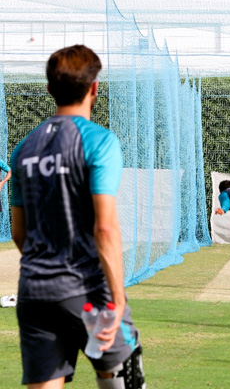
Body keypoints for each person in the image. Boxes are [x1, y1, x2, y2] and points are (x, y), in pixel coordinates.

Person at [10, 45, 144, 388]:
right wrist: (116, 297)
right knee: (122, 379)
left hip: (35, 291)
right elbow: (105, 228)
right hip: (88, 291)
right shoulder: (99, 141)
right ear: (95, 87)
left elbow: (19, 233)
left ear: (49, 90)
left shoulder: (24, 149)